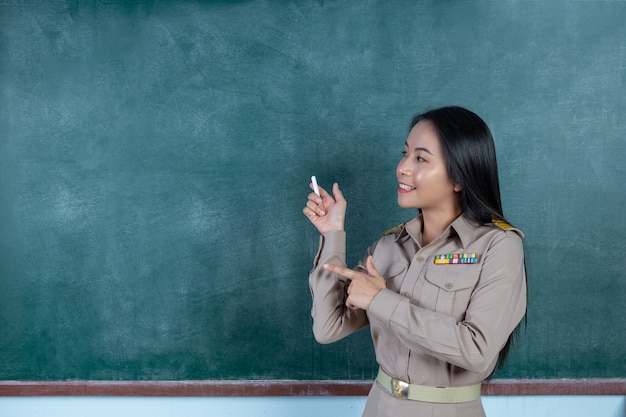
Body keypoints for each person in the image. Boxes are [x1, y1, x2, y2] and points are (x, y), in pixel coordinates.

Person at [302, 106, 527, 417]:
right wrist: (332, 234)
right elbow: (328, 328)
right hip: (380, 406)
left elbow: (476, 351)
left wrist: (381, 299)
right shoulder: (388, 247)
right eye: (404, 154)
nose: (402, 167)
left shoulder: (499, 246)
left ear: (459, 177)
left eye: (420, 158)